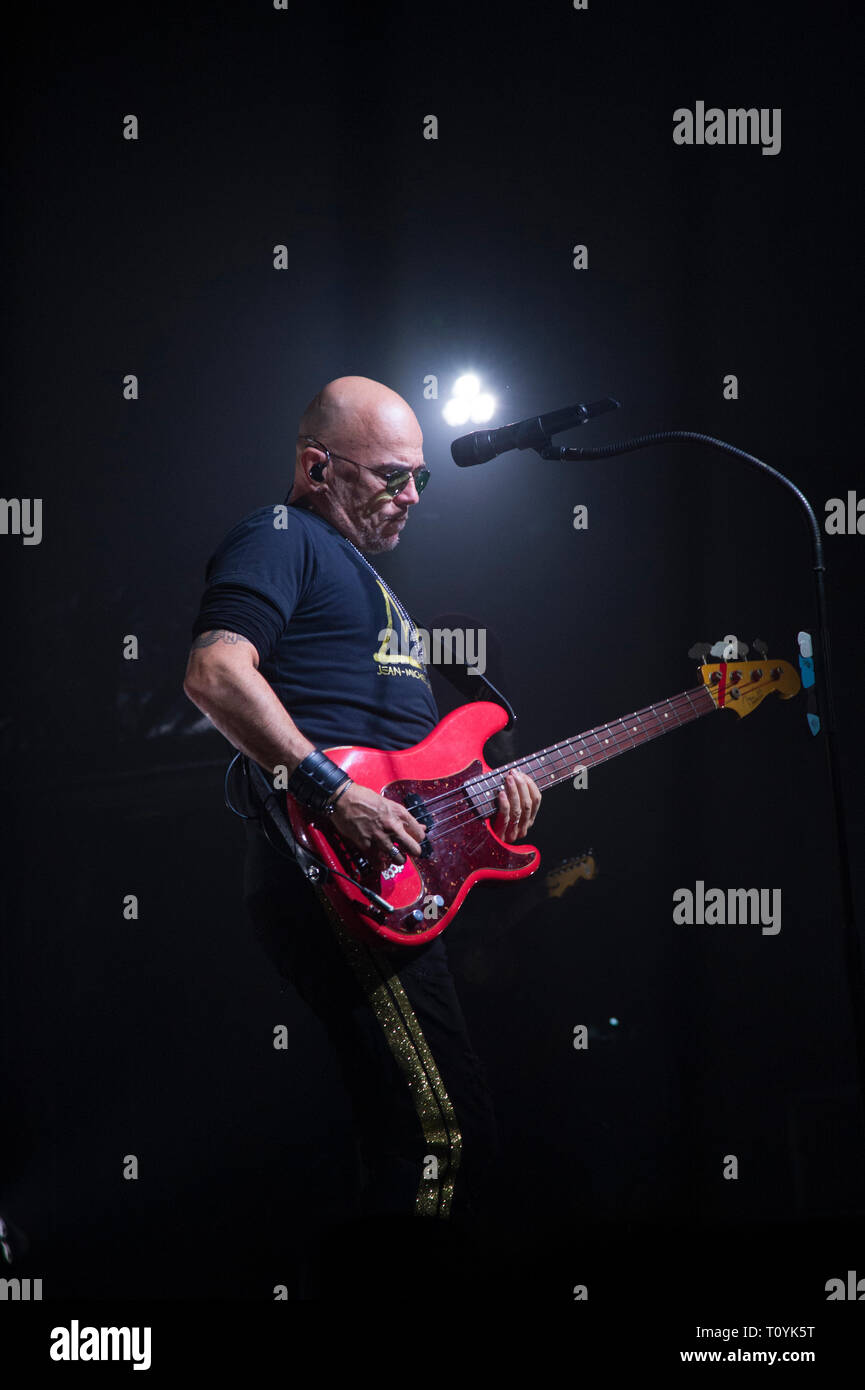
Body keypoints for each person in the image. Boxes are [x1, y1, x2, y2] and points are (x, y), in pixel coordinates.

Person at [183, 376, 541, 1278]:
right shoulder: (281, 536)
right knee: (444, 1132)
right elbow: (215, 672)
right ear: (316, 466)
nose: (412, 496)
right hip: (329, 867)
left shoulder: (378, 590)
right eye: (390, 477)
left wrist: (486, 796)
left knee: (416, 1131)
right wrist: (326, 787)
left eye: (420, 478)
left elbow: (408, 771)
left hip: (392, 881)